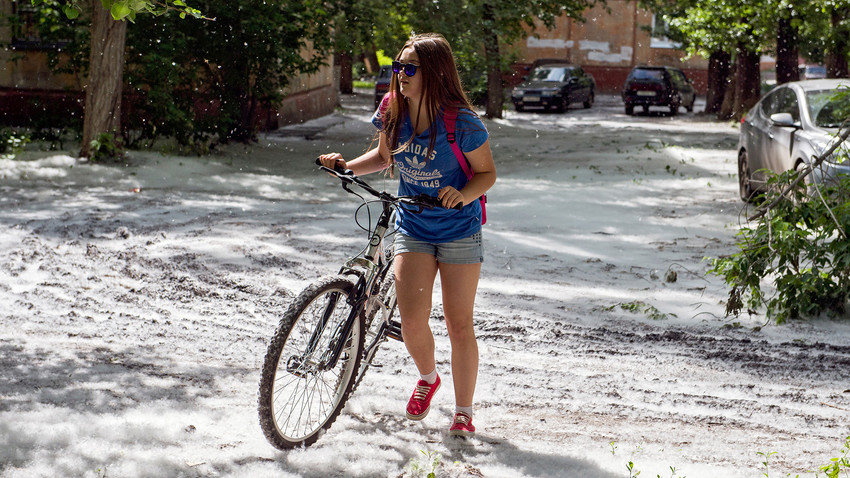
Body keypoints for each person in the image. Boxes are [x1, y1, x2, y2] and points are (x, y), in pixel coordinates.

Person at [318, 33, 496, 437]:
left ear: (433, 73)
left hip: (458, 230)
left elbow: (487, 174)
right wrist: (347, 167)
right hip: (413, 225)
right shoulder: (392, 110)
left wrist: (462, 193)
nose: (399, 75)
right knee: (413, 321)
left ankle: (464, 412)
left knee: (458, 323)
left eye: (408, 68)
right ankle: (429, 378)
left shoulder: (462, 123)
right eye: (397, 66)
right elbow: (384, 157)